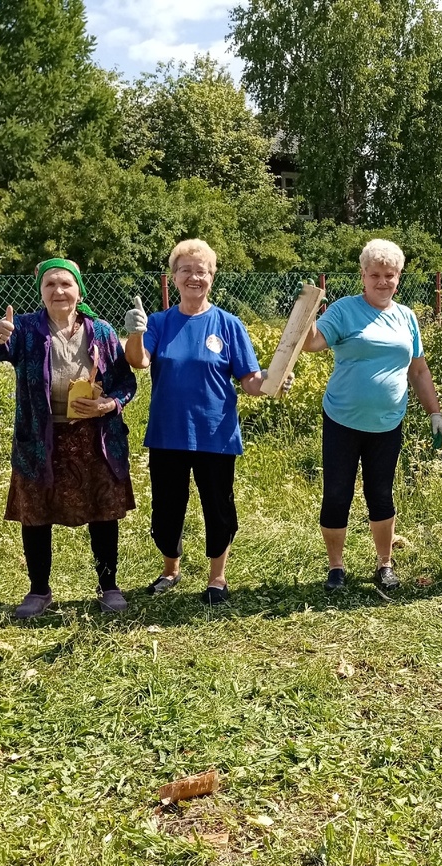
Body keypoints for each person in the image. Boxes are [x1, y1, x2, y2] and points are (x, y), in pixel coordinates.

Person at [0, 258, 136, 618]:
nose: (58, 291)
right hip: (40, 440)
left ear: (78, 290)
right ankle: (39, 591)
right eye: (50, 285)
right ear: (41, 292)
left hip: (94, 438)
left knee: (104, 514)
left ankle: (109, 586)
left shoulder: (100, 331)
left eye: (65, 284)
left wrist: (109, 404)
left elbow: (125, 382)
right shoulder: (25, 329)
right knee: (36, 515)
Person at [123, 239, 285, 605]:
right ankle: (170, 569)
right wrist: (135, 332)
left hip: (216, 435)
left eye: (202, 271)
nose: (194, 277)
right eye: (186, 271)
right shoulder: (161, 323)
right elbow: (139, 361)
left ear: (212, 277)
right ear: (174, 277)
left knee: (218, 506)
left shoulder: (228, 324)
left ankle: (217, 577)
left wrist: (273, 381)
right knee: (167, 508)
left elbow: (249, 380)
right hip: (168, 434)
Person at [302, 239, 442, 592]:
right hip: (342, 419)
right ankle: (336, 567)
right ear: (363, 276)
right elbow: (311, 343)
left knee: (381, 493)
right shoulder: (344, 311)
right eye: (376, 275)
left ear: (399, 277)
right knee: (337, 493)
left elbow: (419, 371)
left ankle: (384, 563)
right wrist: (306, 310)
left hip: (387, 422)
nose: (383, 282)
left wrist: (435, 412)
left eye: (390, 275)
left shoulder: (406, 317)